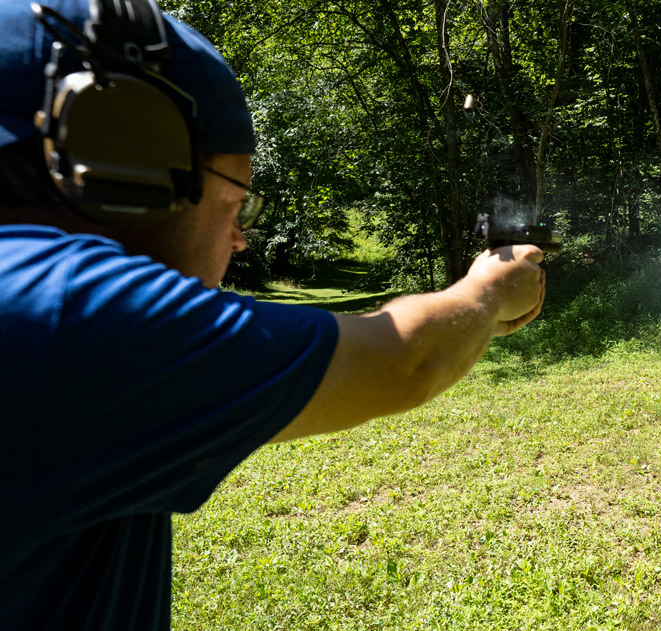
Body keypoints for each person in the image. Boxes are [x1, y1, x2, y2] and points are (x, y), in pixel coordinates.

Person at [0, 0, 546, 628]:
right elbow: (404, 360)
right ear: (131, 152)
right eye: (237, 200)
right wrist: (487, 289)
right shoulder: (61, 315)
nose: (239, 239)